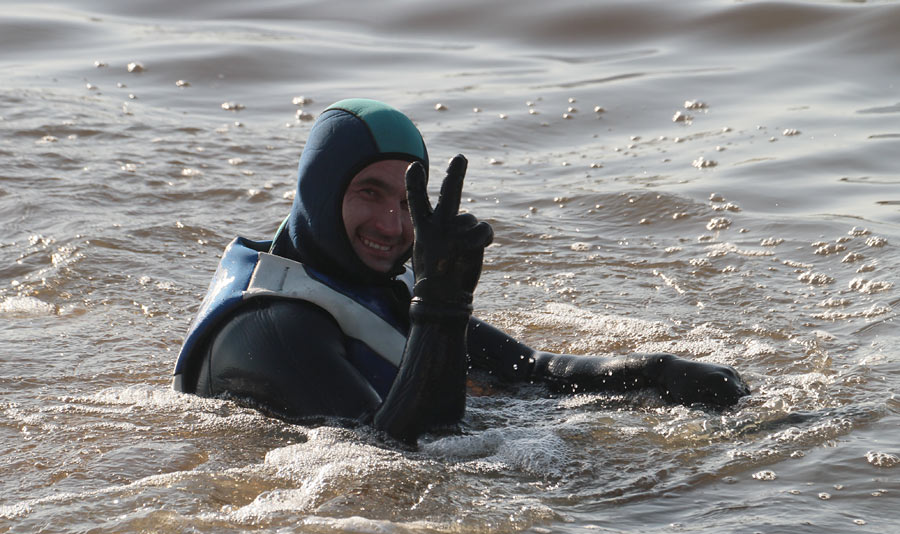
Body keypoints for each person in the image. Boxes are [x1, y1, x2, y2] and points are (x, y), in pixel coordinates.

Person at [172, 98, 749, 444]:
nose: (393, 225)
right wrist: (441, 306)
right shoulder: (274, 328)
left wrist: (657, 372)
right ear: (320, 195)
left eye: (407, 200)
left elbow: (533, 371)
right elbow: (393, 454)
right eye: (369, 193)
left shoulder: (372, 280)